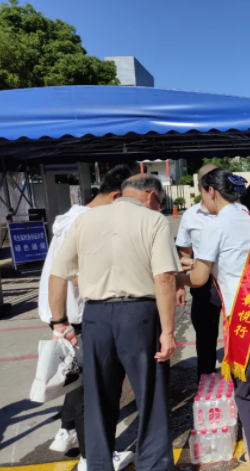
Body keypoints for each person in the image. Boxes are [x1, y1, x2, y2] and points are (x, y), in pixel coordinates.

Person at [48, 174, 181, 471]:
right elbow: (164, 278)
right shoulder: (153, 220)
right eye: (160, 201)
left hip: (95, 317)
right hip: (139, 315)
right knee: (150, 395)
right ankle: (154, 466)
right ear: (151, 195)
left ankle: (98, 464)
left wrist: (59, 322)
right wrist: (168, 332)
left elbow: (58, 274)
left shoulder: (85, 220)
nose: (159, 206)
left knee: (98, 397)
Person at [176, 169, 250, 471]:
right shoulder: (249, 217)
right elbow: (230, 259)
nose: (203, 201)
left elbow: (199, 278)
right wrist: (198, 264)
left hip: (249, 315)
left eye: (202, 194)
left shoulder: (215, 224)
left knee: (247, 396)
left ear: (211, 191)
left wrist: (176, 279)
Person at [38, 165, 134, 471]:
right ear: (117, 196)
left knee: (77, 379)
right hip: (75, 315)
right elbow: (76, 275)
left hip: (63, 313)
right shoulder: (87, 223)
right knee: (89, 389)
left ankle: (67, 431)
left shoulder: (74, 216)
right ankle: (91, 457)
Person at [175, 163, 223, 379]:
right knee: (205, 335)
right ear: (204, 187)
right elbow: (184, 253)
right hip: (203, 283)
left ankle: (241, 381)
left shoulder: (239, 212)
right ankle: (206, 380)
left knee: (239, 332)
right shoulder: (190, 215)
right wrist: (181, 283)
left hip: (232, 281)